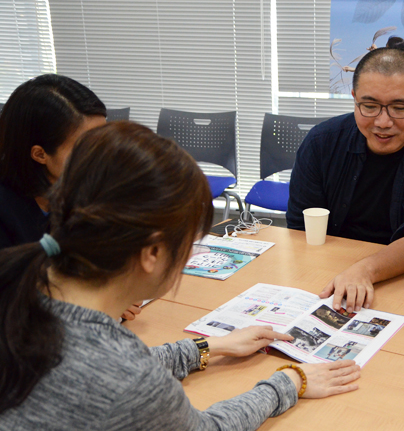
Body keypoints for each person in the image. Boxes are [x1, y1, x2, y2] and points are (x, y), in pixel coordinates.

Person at [0, 122, 360, 430]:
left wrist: (207, 347)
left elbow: (92, 374)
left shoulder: (21, 292)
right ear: (153, 253)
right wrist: (288, 381)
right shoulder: (126, 377)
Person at [287, 48, 404, 313]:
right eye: (369, 106)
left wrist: (364, 270)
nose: (383, 121)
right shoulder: (322, 142)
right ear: (354, 99)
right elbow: (299, 224)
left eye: (399, 108)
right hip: (333, 273)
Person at [0, 74, 141, 320]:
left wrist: (109, 289)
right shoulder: (6, 209)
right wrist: (89, 301)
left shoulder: (81, 188)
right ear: (39, 154)